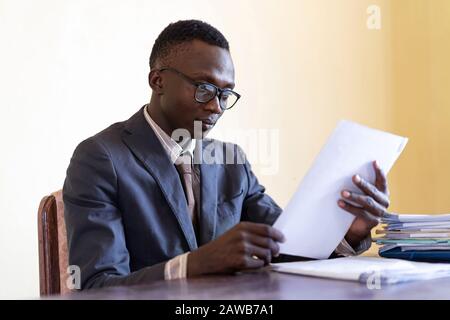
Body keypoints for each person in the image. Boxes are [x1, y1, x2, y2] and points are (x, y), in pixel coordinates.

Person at [63, 20, 390, 290]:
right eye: (204, 88)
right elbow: (98, 288)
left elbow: (286, 249)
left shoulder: (231, 162)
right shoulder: (100, 158)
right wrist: (195, 265)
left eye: (225, 94)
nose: (216, 107)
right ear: (157, 80)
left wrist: (348, 232)